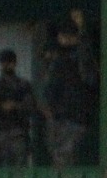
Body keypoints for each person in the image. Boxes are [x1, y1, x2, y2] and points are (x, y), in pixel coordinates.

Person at [41, 17, 100, 167]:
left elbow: (91, 79)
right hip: (58, 119)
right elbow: (49, 90)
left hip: (76, 118)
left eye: (68, 36)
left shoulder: (82, 56)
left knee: (67, 158)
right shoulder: (56, 60)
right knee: (58, 158)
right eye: (62, 36)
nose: (64, 39)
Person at [0, 49, 39, 167]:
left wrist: (15, 106)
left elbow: (32, 107)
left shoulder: (23, 85)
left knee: (18, 168)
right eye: (3, 62)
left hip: (17, 132)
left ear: (14, 63)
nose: (5, 65)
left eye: (8, 62)